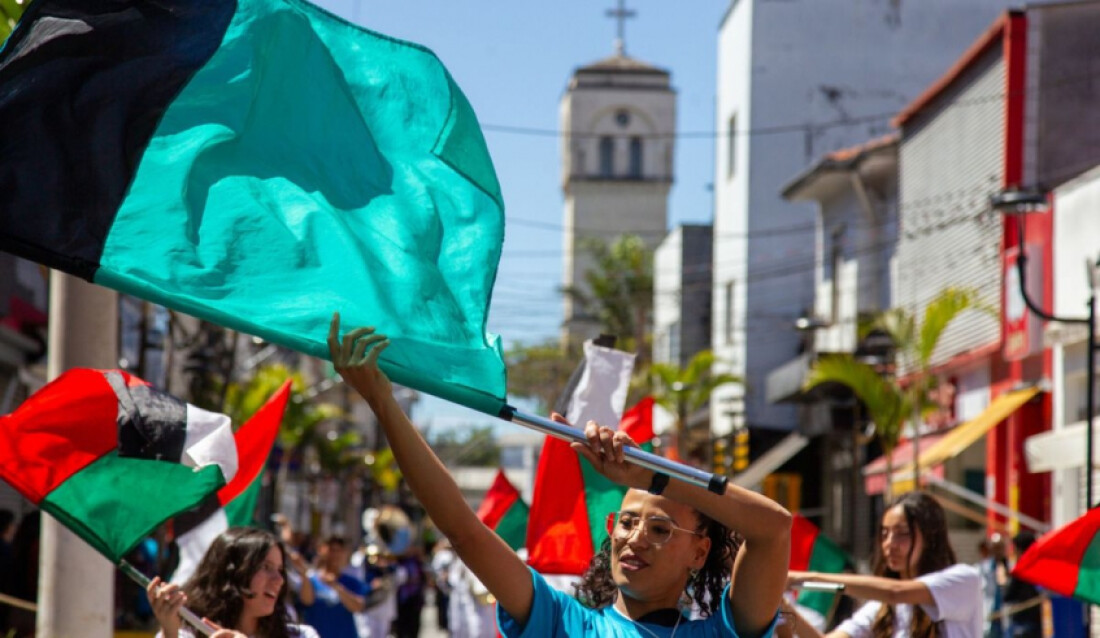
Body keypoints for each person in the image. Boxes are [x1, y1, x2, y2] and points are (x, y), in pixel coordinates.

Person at [328, 314, 792, 637]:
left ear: (700, 551)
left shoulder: (724, 631)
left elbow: (773, 528)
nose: (634, 539)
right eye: (626, 523)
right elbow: (463, 531)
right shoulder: (559, 620)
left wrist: (652, 478)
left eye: (659, 528)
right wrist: (383, 405)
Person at [786, 491, 982, 638]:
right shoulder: (882, 608)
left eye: (902, 533)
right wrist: (780, 604)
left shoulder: (965, 580)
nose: (889, 543)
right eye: (885, 533)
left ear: (931, 536)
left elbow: (896, 592)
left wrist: (803, 578)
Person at [147, 527, 319, 638]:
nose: (279, 580)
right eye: (266, 567)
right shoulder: (185, 634)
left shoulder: (302, 636)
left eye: (280, 570)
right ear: (232, 574)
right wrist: (169, 632)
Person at [299, 535, 369, 637]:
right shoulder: (311, 579)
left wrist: (336, 586)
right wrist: (304, 574)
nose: (335, 555)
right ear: (322, 550)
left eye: (339, 551)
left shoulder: (351, 581)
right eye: (332, 550)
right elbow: (306, 601)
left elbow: (358, 607)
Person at [1001, 532, 1040, 638]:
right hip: (1037, 623)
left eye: (1016, 549)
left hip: (1024, 624)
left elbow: (1009, 595)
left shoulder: (1022, 568)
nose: (1014, 552)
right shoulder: (1040, 566)